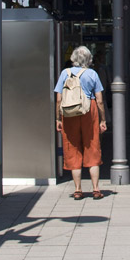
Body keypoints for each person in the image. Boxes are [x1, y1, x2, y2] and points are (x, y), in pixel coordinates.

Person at [54, 45, 107, 200]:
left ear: (74, 58)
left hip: (69, 112)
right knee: (92, 147)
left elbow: (58, 99)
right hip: (88, 110)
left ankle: (78, 190)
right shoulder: (93, 74)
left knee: (73, 148)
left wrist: (58, 118)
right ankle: (96, 189)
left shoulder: (65, 73)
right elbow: (100, 100)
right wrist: (102, 120)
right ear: (89, 59)